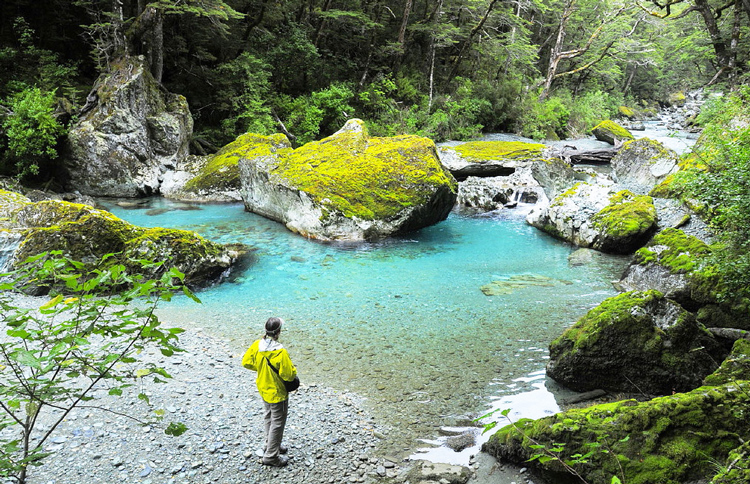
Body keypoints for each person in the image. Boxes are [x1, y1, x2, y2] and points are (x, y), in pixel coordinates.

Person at [242, 317, 298, 467]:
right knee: (278, 422)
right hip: (277, 392)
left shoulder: (257, 345)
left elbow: (246, 362)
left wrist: (260, 369)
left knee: (269, 416)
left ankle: (271, 445)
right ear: (278, 331)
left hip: (263, 387)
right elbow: (288, 375)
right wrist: (294, 370)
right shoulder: (280, 352)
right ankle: (271, 456)